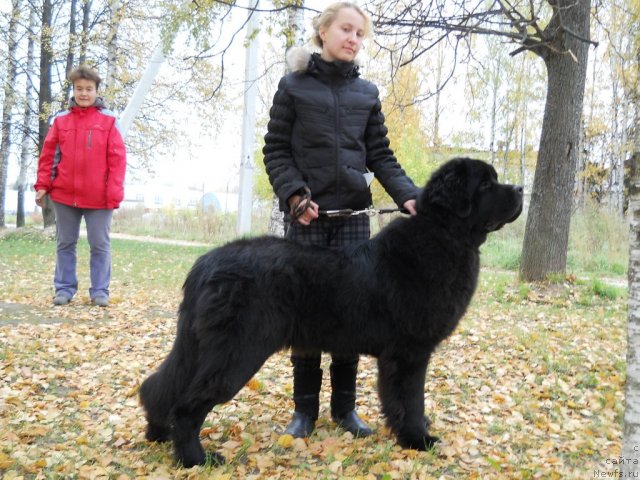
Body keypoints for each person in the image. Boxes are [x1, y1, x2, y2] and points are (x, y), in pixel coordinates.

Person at [263, 2, 418, 439]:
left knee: (352, 316)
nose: (353, 38)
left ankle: (345, 412)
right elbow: (275, 151)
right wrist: (294, 195)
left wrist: (409, 196)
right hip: (306, 222)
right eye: (346, 30)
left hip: (353, 222)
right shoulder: (292, 87)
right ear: (323, 31)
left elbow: (381, 156)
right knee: (307, 317)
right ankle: (304, 414)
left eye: (360, 34)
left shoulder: (366, 94)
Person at [34, 65, 127, 307]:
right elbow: (49, 156)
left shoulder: (109, 121)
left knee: (99, 244)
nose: (83, 93)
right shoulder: (60, 120)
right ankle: (64, 289)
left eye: (88, 89)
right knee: (65, 243)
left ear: (97, 91)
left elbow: (117, 160)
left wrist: (114, 192)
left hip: (100, 199)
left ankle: (99, 292)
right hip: (65, 196)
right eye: (79, 89)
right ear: (73, 91)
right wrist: (42, 185)